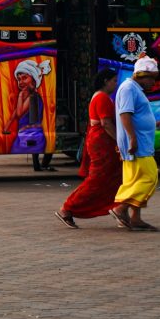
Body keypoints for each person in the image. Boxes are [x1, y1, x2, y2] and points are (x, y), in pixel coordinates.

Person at [56, 69, 123, 229]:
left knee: (110, 178)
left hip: (99, 141)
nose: (116, 84)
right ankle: (67, 208)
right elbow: (106, 123)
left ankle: (120, 209)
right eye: (114, 81)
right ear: (106, 81)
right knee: (98, 179)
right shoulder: (102, 98)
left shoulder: (99, 97)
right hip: (102, 143)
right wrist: (120, 142)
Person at [110, 56, 160, 231]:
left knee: (135, 180)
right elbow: (125, 114)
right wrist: (132, 138)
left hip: (140, 142)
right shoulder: (128, 88)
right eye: (151, 78)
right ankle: (121, 208)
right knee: (149, 177)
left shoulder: (134, 88)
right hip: (137, 143)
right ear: (140, 74)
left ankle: (135, 217)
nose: (153, 82)